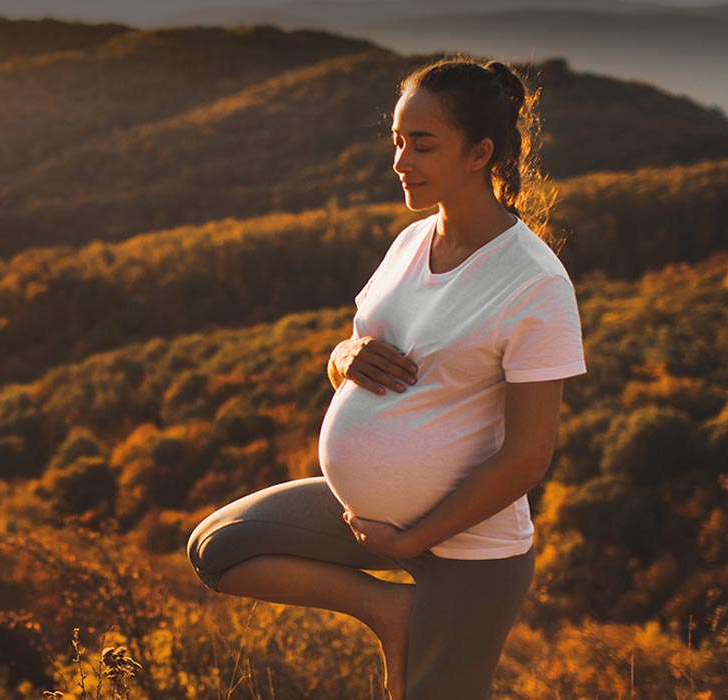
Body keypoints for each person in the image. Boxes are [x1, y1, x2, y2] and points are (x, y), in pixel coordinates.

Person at [187, 55, 586, 700]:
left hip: (466, 548)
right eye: (398, 141)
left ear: (480, 153)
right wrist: (342, 359)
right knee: (219, 548)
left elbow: (527, 457)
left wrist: (413, 540)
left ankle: (414, 603)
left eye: (422, 145)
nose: (401, 161)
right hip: (371, 519)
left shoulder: (533, 283)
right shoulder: (410, 243)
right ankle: (388, 610)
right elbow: (353, 355)